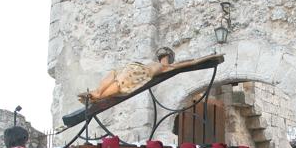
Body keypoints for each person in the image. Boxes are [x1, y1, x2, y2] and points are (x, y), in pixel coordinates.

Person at [79, 48, 216, 102]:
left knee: (117, 81)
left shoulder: (165, 67)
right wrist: (207, 57)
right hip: (136, 70)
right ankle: (97, 93)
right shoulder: (166, 66)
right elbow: (191, 62)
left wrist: (208, 57)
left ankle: (97, 94)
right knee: (116, 78)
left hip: (135, 70)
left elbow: (192, 62)